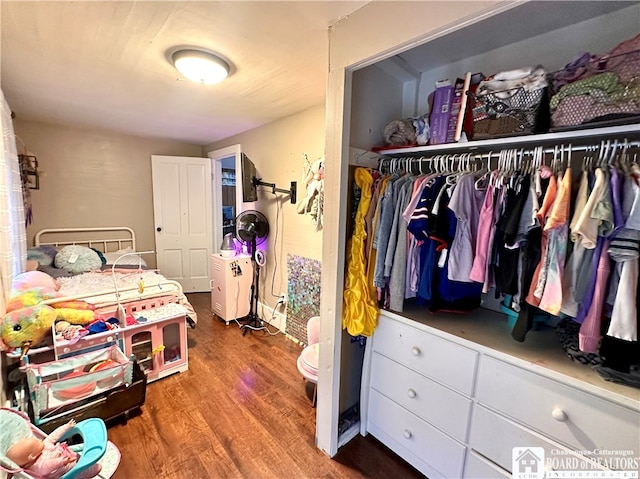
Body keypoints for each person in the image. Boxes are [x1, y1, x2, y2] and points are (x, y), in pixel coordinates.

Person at [6, 419, 101, 479]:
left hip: (67, 455)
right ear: (32, 456)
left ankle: (86, 462)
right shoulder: (36, 466)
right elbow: (48, 465)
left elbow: (54, 435)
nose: (39, 440)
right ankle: (88, 472)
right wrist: (61, 462)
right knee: (79, 468)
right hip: (64, 469)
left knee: (78, 457)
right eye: (37, 442)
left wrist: (66, 426)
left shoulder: (43, 445)